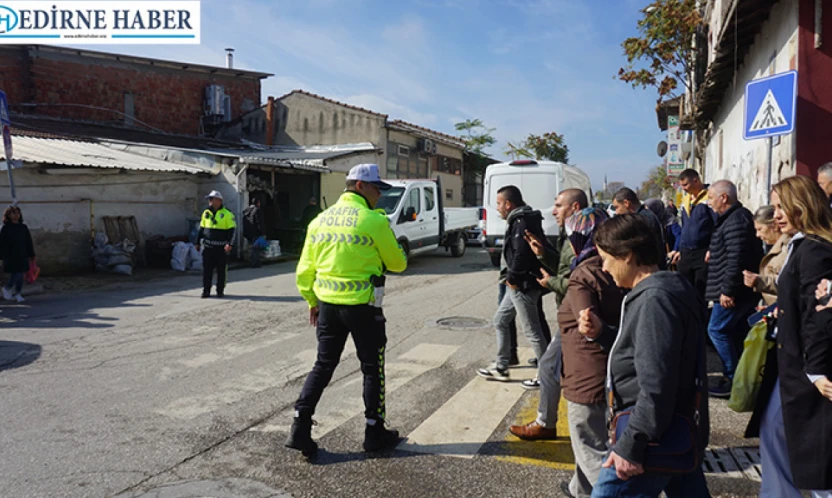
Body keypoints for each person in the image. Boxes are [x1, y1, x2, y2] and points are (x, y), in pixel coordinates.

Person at [288, 164, 407, 457]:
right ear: (359, 187)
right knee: (372, 367)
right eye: (376, 188)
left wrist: (311, 301)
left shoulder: (319, 221)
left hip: (327, 307)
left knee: (323, 365)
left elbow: (305, 270)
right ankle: (373, 432)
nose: (380, 194)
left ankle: (300, 428)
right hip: (363, 309)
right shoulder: (373, 221)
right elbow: (398, 264)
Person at [588, 214, 711, 498]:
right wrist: (603, 334)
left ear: (628, 256)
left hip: (650, 436)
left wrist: (631, 446)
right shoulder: (668, 287)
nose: (604, 268)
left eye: (606, 259)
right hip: (671, 428)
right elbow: (648, 353)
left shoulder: (654, 299)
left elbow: (657, 383)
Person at [745, 175, 832, 497]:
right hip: (793, 365)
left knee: (810, 451)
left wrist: (817, 371)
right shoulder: (802, 246)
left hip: (805, 370)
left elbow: (820, 316)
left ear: (803, 206)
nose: (776, 214)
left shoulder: (814, 251)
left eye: (783, 207)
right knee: (778, 437)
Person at [555, 207, 623, 498]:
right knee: (592, 440)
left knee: (591, 447)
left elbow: (587, 319)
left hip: (586, 375)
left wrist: (587, 321)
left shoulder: (584, 274)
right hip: (609, 367)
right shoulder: (614, 267)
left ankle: (610, 493)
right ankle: (578, 490)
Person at [509, 188, 585, 439]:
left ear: (575, 208)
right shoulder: (570, 233)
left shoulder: (581, 236)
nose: (553, 211)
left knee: (552, 366)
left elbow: (580, 281)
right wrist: (543, 253)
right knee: (554, 366)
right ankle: (548, 421)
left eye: (559, 205)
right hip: (571, 311)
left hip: (578, 313)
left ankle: (548, 423)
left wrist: (552, 283)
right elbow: (565, 269)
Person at [478, 185, 549, 382]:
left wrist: (513, 278)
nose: (498, 208)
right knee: (500, 320)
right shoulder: (521, 219)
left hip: (522, 285)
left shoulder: (521, 221)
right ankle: (501, 366)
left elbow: (521, 254)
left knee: (532, 331)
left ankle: (546, 374)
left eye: (499, 203)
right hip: (517, 283)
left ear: (509, 204)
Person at [704, 180, 763, 397]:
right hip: (733, 288)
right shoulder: (731, 219)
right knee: (733, 332)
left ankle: (733, 379)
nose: (709, 203)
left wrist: (728, 290)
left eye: (711, 197)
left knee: (716, 329)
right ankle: (738, 379)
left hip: (734, 291)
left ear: (724, 198)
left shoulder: (737, 220)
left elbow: (736, 259)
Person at [669, 169, 715, 299]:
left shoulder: (709, 198)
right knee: (685, 290)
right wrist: (679, 249)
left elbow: (717, 225)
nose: (684, 189)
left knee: (700, 292)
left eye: (685, 185)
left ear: (695, 180)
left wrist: (712, 248)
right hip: (686, 252)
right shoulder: (685, 200)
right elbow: (684, 227)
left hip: (702, 252)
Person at [742, 205, 789, 307]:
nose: (757, 235)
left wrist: (760, 281)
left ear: (775, 226)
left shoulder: (787, 248)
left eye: (760, 229)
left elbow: (789, 282)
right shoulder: (774, 248)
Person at [611, 188, 667, 270]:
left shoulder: (643, 219)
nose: (617, 212)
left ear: (626, 203)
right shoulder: (644, 216)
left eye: (617, 207)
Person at [196, 190, 236, 298]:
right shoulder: (206, 213)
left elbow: (232, 231)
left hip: (221, 248)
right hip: (208, 247)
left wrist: (230, 244)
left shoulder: (227, 214)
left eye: (211, 199)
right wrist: (197, 242)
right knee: (207, 271)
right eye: (209, 199)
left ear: (218, 201)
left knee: (221, 271)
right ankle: (206, 291)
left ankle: (220, 290)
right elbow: (201, 229)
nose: (209, 201)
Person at [0, 205, 35, 303]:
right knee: (17, 273)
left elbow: (28, 241)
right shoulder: (6, 228)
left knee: (20, 274)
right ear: (8, 215)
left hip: (22, 254)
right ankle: (8, 288)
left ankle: (17, 293)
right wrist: (3, 255)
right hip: (11, 255)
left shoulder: (23, 227)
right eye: (13, 213)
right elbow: (1, 242)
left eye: (18, 213)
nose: (16, 215)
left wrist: (31, 254)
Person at [242, 197, 265, 268]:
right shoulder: (257, 210)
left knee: (251, 247)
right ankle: (255, 263)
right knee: (256, 248)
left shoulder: (246, 210)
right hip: (256, 232)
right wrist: (262, 232)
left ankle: (252, 261)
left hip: (248, 232)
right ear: (257, 203)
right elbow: (259, 222)